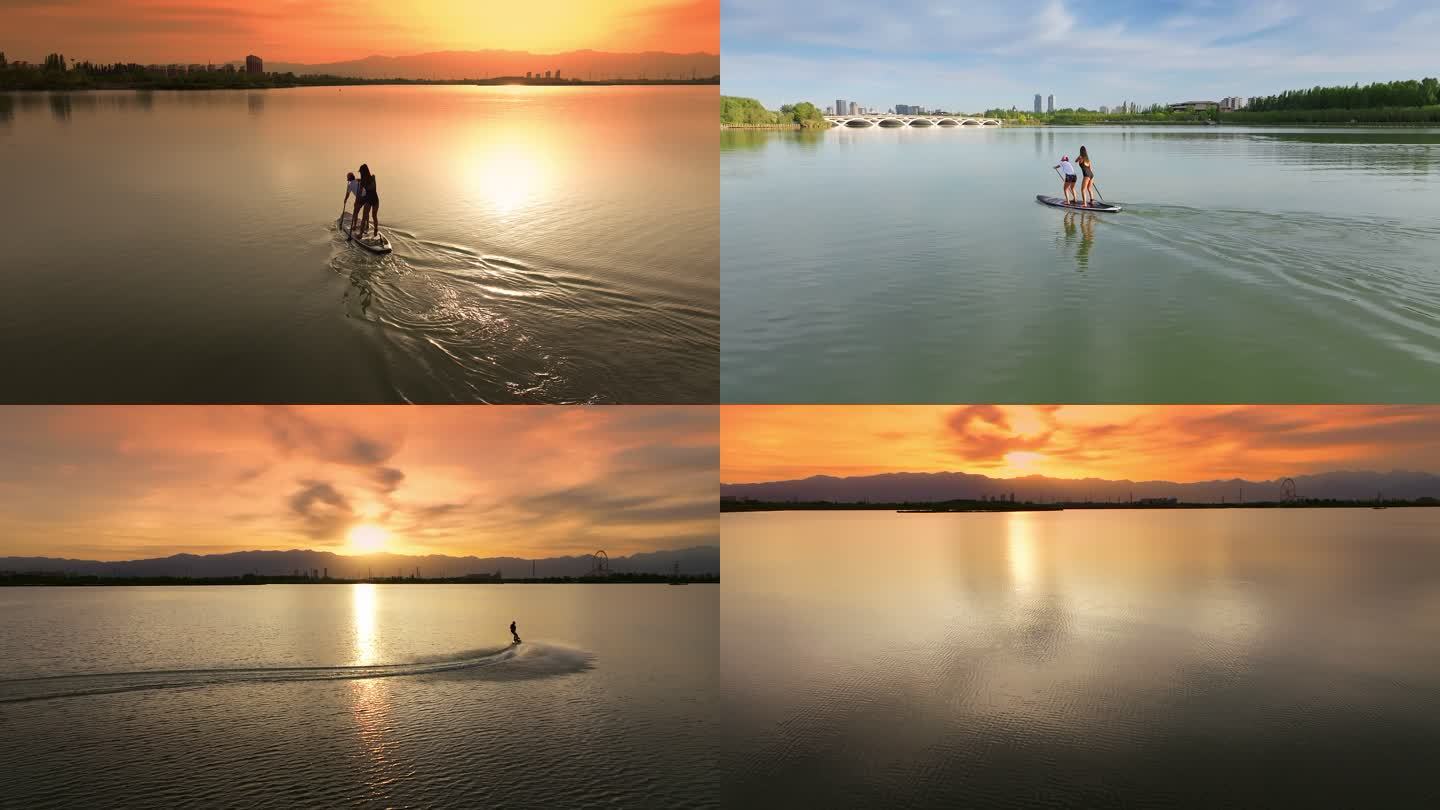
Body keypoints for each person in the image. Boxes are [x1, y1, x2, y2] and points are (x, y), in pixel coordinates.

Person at [354, 163, 380, 239]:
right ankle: (375, 231)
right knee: (374, 216)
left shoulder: (363, 182)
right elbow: (370, 184)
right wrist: (359, 180)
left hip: (369, 200)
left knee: (364, 217)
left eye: (361, 172)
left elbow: (360, 193)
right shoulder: (373, 177)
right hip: (376, 199)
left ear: (363, 172)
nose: (360, 173)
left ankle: (360, 234)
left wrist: (357, 201)